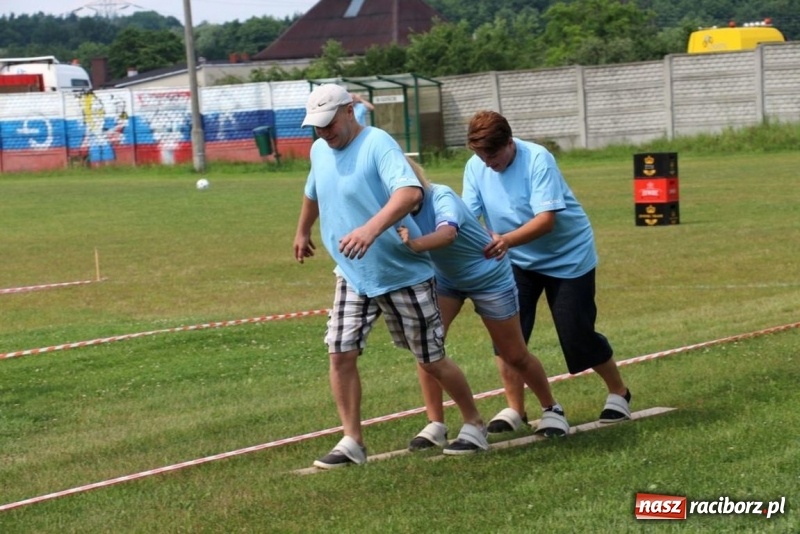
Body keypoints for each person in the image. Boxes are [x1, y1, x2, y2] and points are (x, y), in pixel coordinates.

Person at [292, 84, 489, 469]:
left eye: (329, 123)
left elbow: (410, 194)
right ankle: (352, 440)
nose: (324, 133)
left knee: (431, 359)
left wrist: (370, 229)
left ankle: (474, 424)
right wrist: (303, 231)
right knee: (340, 352)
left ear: (349, 112)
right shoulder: (319, 149)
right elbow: (313, 191)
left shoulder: (377, 143)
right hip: (352, 271)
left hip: (402, 273)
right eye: (317, 126)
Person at [461, 110, 632, 433]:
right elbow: (468, 216)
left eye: (492, 154)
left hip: (567, 258)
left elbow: (546, 220)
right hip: (515, 261)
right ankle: (515, 409)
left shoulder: (538, 159)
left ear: (509, 143)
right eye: (480, 155)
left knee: (577, 333)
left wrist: (505, 240)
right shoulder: (476, 167)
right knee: (507, 336)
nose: (487, 162)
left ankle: (619, 392)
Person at [398, 158, 569, 451]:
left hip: (488, 275)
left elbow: (447, 233)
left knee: (513, 353)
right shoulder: (394, 209)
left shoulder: (441, 196)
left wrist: (414, 245)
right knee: (427, 350)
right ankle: (436, 424)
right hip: (446, 279)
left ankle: (552, 409)